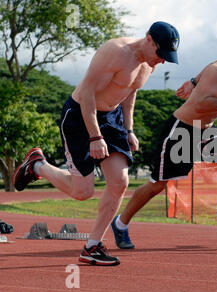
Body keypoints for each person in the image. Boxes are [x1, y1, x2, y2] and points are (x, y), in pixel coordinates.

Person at [13, 21, 180, 265]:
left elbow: (130, 93)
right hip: (80, 115)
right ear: (148, 40)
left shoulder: (149, 64)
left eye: (167, 57)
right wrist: (95, 136)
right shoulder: (115, 52)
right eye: (161, 54)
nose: (162, 61)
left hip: (112, 118)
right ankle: (37, 165)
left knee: (120, 181)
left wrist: (129, 129)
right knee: (83, 192)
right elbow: (89, 93)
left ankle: (92, 246)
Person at [110, 46, 217, 249]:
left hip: (204, 133)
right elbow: (201, 104)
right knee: (157, 185)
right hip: (180, 130)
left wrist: (193, 81)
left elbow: (212, 62)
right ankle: (120, 223)